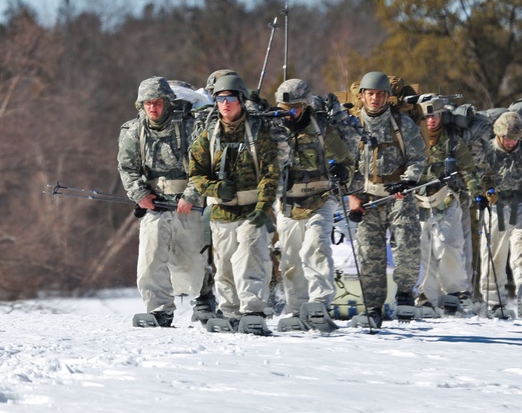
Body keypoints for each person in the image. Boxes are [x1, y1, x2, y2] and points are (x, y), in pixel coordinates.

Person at [188, 71, 281, 330]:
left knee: (251, 260)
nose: (225, 104)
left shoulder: (258, 133)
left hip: (253, 211)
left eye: (230, 98)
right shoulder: (209, 136)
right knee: (225, 265)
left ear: (240, 100)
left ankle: (253, 311)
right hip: (221, 211)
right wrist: (215, 187)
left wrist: (262, 210)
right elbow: (195, 173)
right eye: (219, 99)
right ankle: (229, 311)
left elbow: (271, 174)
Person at [118, 77, 206, 327]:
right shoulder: (134, 131)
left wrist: (191, 195)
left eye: (157, 102)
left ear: (167, 102)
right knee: (150, 259)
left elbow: (202, 166)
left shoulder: (190, 127)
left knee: (190, 262)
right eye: (147, 103)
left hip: (188, 202)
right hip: (154, 203)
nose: (152, 108)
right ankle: (159, 309)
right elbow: (127, 167)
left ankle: (204, 296)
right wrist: (139, 194)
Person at [273, 78, 356, 331]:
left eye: (296, 108)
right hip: (287, 202)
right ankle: (296, 307)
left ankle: (319, 302)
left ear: (306, 104)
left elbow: (346, 160)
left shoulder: (322, 129)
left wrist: (343, 172)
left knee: (316, 246)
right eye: (286, 108)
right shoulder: (272, 131)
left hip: (321, 198)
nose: (291, 114)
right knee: (290, 257)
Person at [346, 71, 427, 326]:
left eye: (380, 94)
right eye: (370, 94)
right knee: (370, 255)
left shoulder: (402, 124)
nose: (375, 99)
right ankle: (372, 307)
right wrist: (352, 196)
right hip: (366, 198)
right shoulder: (352, 125)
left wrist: (409, 180)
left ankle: (404, 296)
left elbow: (418, 157)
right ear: (362, 96)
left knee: (407, 249)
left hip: (398, 195)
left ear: (387, 97)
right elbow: (344, 164)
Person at [412, 95, 492, 313]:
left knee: (448, 245)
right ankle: (426, 297)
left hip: (447, 199)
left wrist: (478, 192)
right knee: (423, 248)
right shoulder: (413, 137)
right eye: (427, 116)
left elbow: (468, 168)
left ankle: (454, 292)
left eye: (435, 115)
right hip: (418, 201)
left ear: (441, 115)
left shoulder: (451, 139)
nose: (431, 121)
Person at [477, 111, 522, 318]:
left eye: (514, 139)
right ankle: (494, 302)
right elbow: (477, 177)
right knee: (493, 256)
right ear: (499, 135)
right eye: (507, 138)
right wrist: (480, 195)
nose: (510, 143)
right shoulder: (487, 150)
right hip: (496, 207)